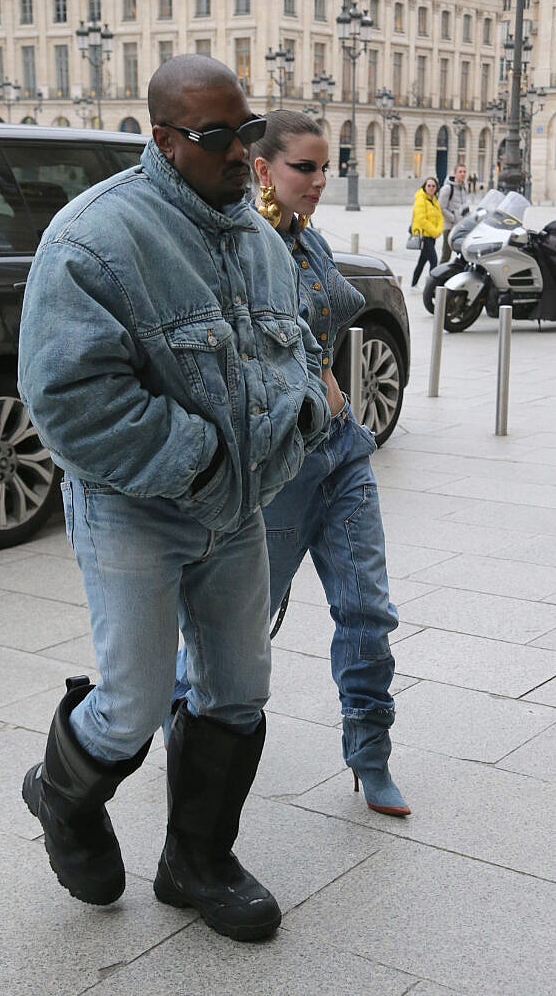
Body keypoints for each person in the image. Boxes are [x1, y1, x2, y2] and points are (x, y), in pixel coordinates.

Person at [17, 55, 330, 943]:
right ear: (162, 138)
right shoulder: (93, 238)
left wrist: (300, 410)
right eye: (217, 136)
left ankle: (197, 862)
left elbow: (295, 347)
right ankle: (62, 796)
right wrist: (195, 463)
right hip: (133, 509)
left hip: (235, 510)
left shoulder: (256, 236)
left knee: (237, 689)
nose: (242, 153)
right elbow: (71, 400)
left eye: (248, 131)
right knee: (133, 700)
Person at [169, 110, 410, 817]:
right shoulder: (238, 247)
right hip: (279, 465)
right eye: (304, 167)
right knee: (240, 627)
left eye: (325, 166)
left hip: (341, 454)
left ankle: (370, 755)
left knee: (367, 610)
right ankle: (180, 727)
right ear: (264, 168)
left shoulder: (311, 242)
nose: (318, 179)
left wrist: (335, 390)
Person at [409, 176, 443, 287]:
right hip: (424, 236)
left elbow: (440, 217)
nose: (431, 188)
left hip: (431, 236)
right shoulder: (421, 199)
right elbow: (421, 219)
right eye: (429, 185)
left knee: (422, 261)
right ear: (424, 186)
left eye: (433, 186)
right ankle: (432, 286)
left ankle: (413, 283)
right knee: (434, 261)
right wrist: (435, 231)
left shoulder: (434, 200)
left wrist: (438, 230)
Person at [438, 163, 469, 262]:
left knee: (463, 254)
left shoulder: (464, 188)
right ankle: (440, 276)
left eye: (464, 172)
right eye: (460, 172)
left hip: (461, 227)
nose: (462, 174)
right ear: (455, 174)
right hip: (449, 227)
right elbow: (441, 207)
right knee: (446, 255)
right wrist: (454, 218)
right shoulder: (447, 188)